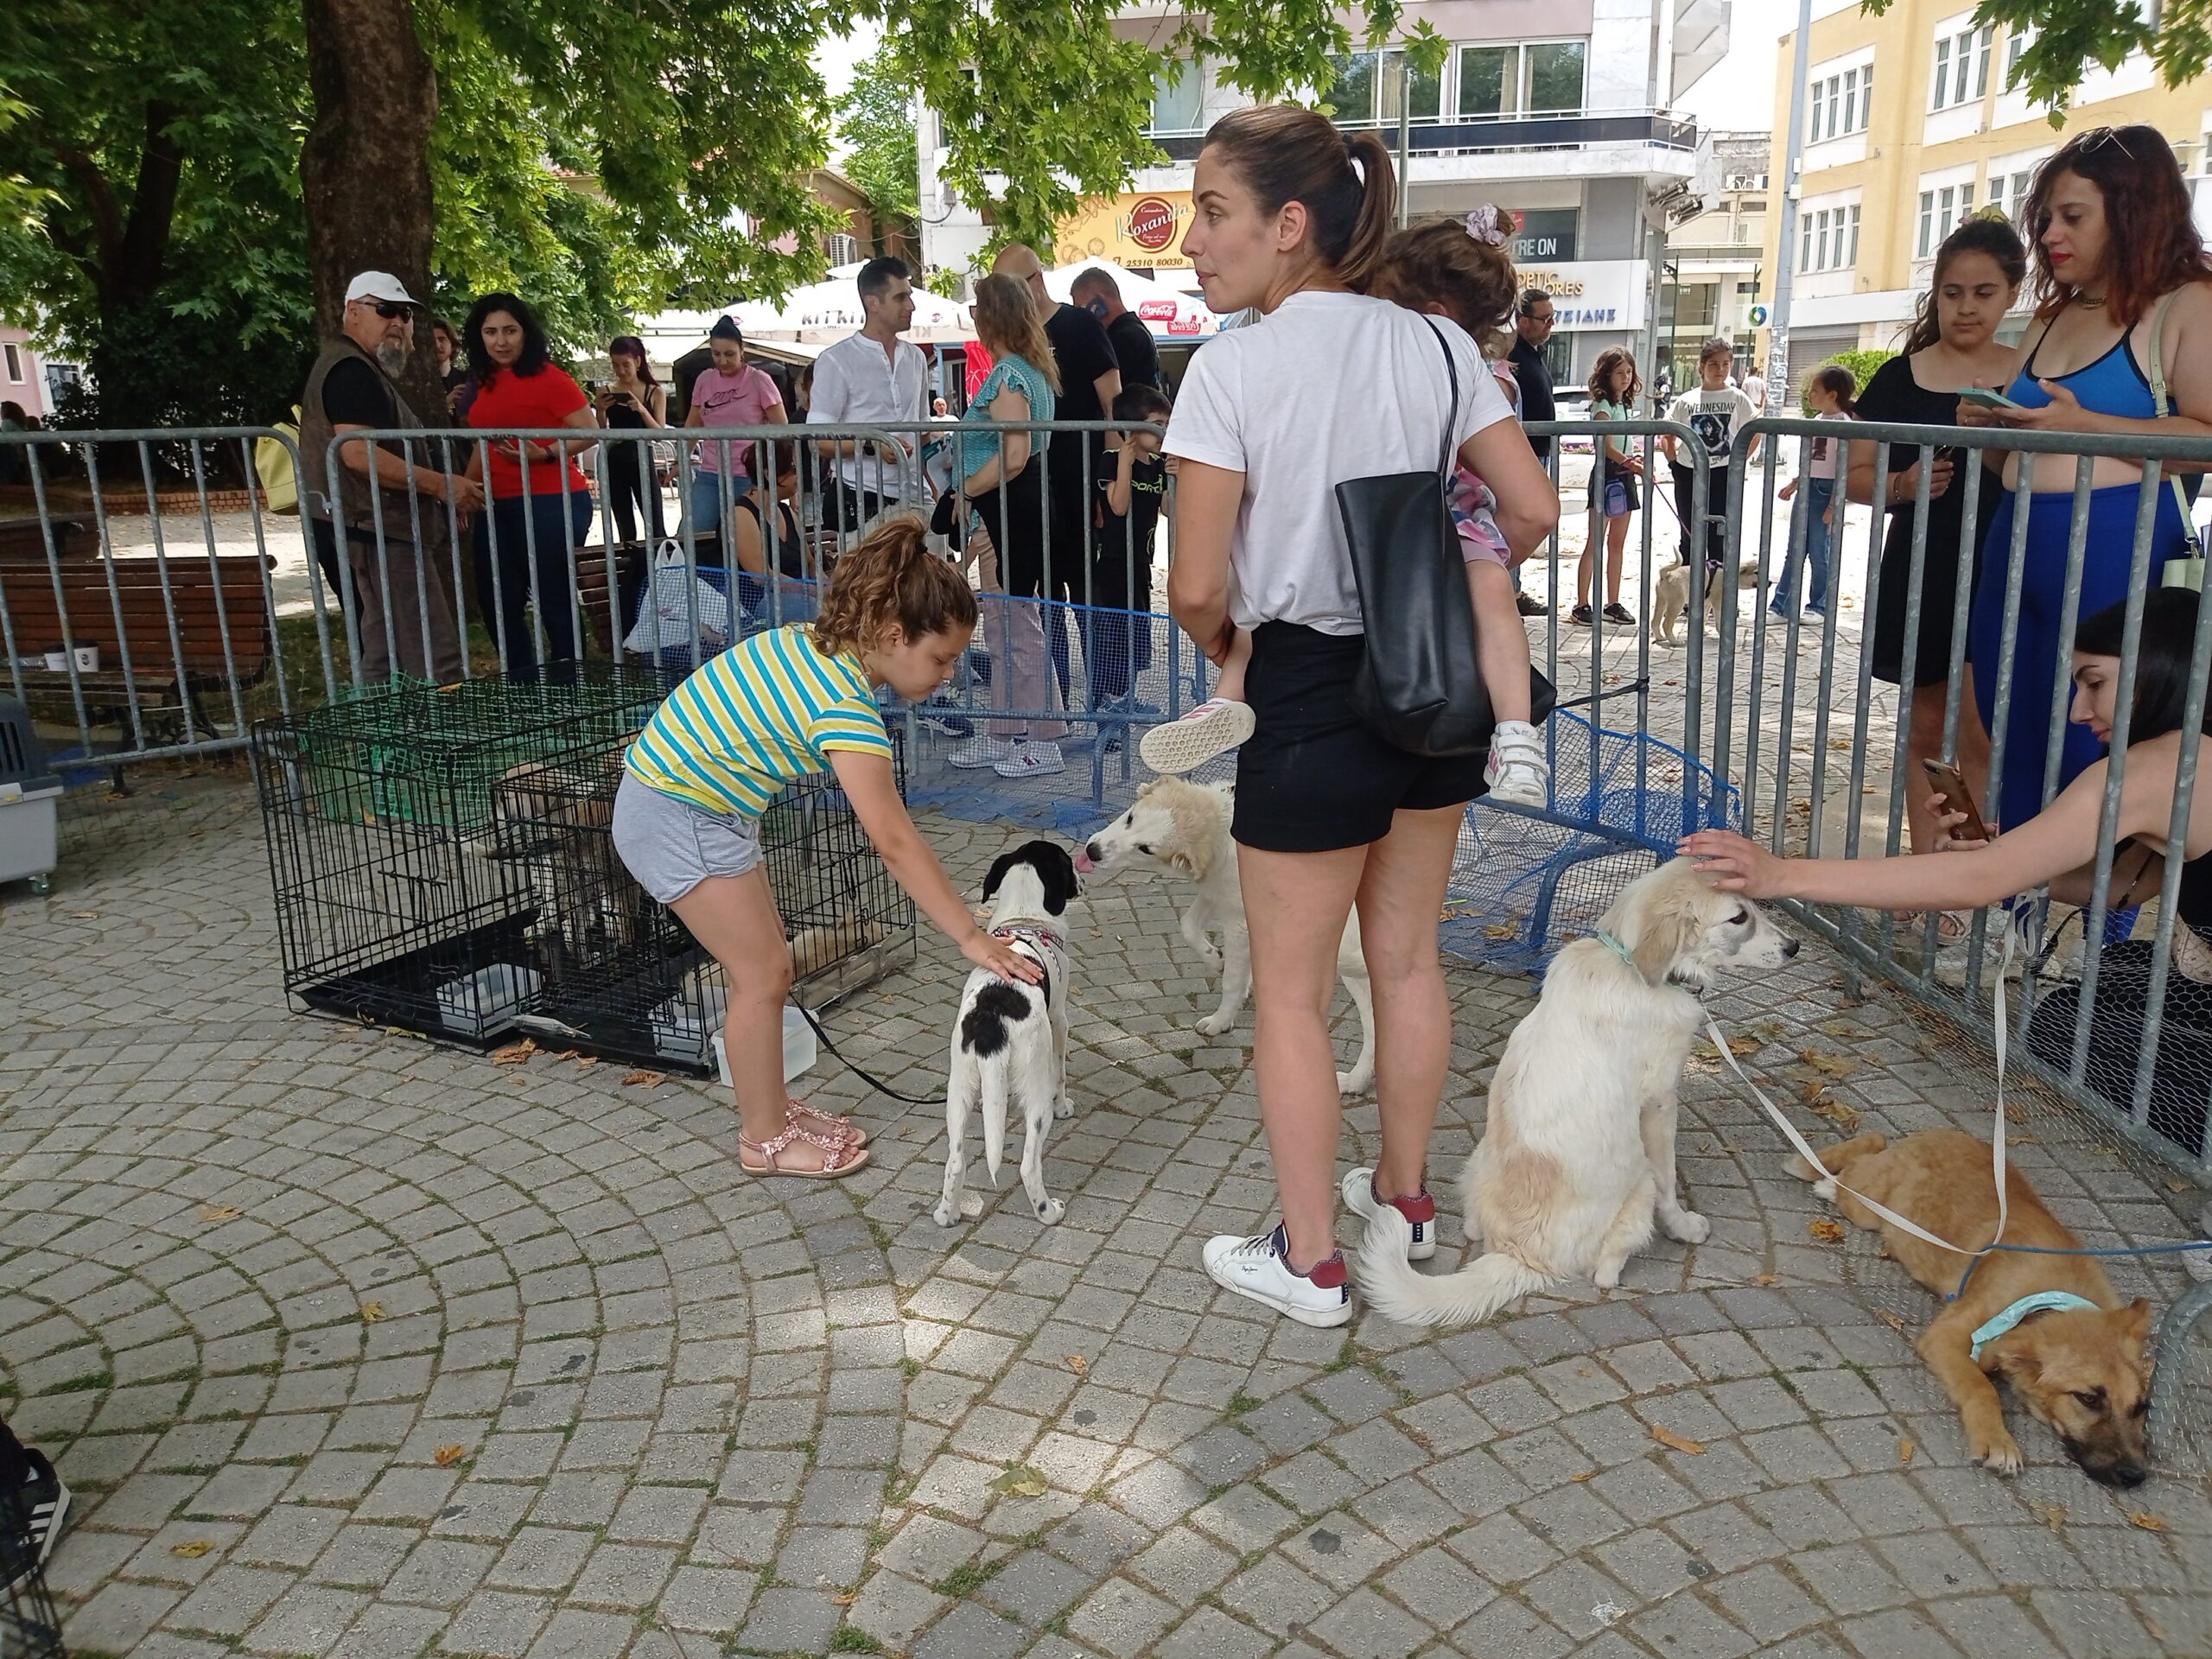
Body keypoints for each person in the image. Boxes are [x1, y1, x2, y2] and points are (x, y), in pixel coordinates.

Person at [1155, 105, 1555, 1324]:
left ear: (1289, 225)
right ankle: (1407, 1203)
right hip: (1430, 686)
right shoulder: (1439, 349)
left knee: (1288, 992)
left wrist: (1234, 652)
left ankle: (1314, 1264)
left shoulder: (1229, 366)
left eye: (1212, 213)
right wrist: (1442, 574)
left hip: (1308, 689)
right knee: (1409, 960)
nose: (1191, 243)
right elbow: (1531, 511)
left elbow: (1198, 591)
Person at [1682, 590, 2212, 1158]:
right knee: (2085, 1002)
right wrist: (1981, 861)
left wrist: (1779, 876)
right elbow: (2112, 889)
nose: (2078, 712)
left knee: (2068, 1034)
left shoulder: (2159, 769)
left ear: (2162, 667)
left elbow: (1983, 882)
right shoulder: (2184, 756)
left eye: (2095, 683)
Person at [615, 514, 1042, 1178]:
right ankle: (763, 1139)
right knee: (762, 975)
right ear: (894, 635)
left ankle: (772, 1106)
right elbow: (893, 839)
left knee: (766, 965)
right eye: (942, 657)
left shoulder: (814, 646)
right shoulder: (844, 707)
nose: (950, 674)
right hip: (678, 815)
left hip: (701, 808)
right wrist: (971, 935)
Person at [1959, 126, 2212, 836]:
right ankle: (2020, 922)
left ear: (2132, 210)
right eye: (2046, 217)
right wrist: (1988, 424)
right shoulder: (2052, 312)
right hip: (2018, 543)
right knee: (2006, 730)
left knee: (2100, 743)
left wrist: (2089, 426)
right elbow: (2020, 452)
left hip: (2113, 544)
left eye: (2074, 216)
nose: (2049, 234)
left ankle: (2111, 936)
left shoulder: (2187, 303)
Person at [1850, 213, 2024, 868]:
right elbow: (1857, 477)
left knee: (1980, 729)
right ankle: (1927, 871)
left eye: (1983, 292)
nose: (1967, 307)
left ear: (2010, 292)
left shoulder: (2029, 375)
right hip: (1922, 571)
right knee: (1925, 728)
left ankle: (1968, 873)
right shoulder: (1898, 378)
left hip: (2003, 566)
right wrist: (1904, 483)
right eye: (1953, 292)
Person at [297, 270, 480, 684]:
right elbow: (358, 455)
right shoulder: (351, 371)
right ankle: (443, 739)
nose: (397, 321)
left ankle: (383, 738)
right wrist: (442, 485)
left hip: (370, 526)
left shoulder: (354, 365)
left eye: (405, 314)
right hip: (377, 529)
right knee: (431, 648)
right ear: (353, 311)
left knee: (382, 644)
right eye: (385, 310)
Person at [943, 272, 1070, 779]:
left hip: (1004, 516)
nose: (972, 315)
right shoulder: (1028, 372)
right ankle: (1008, 733)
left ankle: (1040, 738)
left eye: (976, 307)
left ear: (990, 315)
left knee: (1016, 627)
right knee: (1005, 627)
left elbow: (1014, 456)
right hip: (1006, 515)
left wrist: (966, 489)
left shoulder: (1010, 376)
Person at [992, 244, 1122, 702]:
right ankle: (1056, 701)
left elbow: (1113, 403)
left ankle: (1105, 696)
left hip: (1080, 481)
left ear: (1035, 280)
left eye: (1010, 288)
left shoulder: (1080, 326)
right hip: (1034, 487)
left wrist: (1107, 480)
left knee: (1088, 597)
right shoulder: (1014, 339)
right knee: (1041, 603)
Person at [461, 291, 600, 678]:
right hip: (496, 503)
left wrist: (546, 453)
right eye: (490, 332)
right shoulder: (483, 381)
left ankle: (566, 684)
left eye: (510, 330)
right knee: (498, 601)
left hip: (550, 500)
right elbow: (483, 442)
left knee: (553, 595)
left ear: (526, 333)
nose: (500, 341)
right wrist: (464, 490)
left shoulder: (551, 378)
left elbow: (590, 432)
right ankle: (522, 684)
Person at [809, 257, 930, 535]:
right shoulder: (836, 360)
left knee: (925, 580)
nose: (910, 306)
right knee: (870, 580)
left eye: (909, 296)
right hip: (862, 497)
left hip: (916, 496)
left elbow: (921, 431)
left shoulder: (916, 358)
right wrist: (872, 446)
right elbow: (818, 442)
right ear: (872, 303)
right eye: (901, 298)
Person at [1087, 384, 1173, 731]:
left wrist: (1174, 478)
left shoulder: (1157, 465)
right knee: (1113, 632)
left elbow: (1168, 509)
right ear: (1133, 428)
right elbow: (1118, 505)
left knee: (1137, 631)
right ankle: (1108, 703)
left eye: (1167, 425)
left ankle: (1125, 697)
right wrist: (1124, 462)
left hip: (1141, 561)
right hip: (1112, 561)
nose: (1163, 433)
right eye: (1157, 424)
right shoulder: (1111, 460)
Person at [1661, 337, 1760, 573]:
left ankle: (1715, 595)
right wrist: (1673, 462)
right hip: (1689, 472)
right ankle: (1688, 593)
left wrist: (1740, 459)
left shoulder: (1737, 397)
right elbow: (1667, 433)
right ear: (1702, 366)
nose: (1720, 369)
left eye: (1726, 364)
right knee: (1690, 534)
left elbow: (1756, 429)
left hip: (1724, 473)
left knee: (1719, 534)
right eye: (1714, 364)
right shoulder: (1686, 400)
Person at [683, 317, 785, 545]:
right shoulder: (704, 380)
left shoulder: (759, 380)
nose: (723, 360)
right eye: (716, 354)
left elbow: (782, 430)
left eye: (729, 354)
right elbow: (692, 425)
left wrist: (780, 475)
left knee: (749, 541)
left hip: (750, 476)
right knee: (691, 536)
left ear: (742, 350)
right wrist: (679, 460)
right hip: (710, 473)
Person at [1770, 364, 1857, 621]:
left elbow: (1842, 467)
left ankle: (1818, 606)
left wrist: (1833, 504)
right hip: (1808, 486)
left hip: (1827, 489)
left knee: (1820, 552)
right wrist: (1796, 483)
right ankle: (1780, 605)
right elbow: (1815, 459)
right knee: (1795, 549)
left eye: (1815, 390)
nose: (1810, 394)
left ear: (1833, 395)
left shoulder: (1844, 424)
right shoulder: (1818, 421)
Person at [1575, 346, 1643, 628]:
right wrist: (1631, 461)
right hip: (1608, 475)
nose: (1626, 378)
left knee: (1618, 543)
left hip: (1624, 475)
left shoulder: (1623, 406)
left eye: (1629, 372)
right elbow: (1605, 445)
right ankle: (1581, 603)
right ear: (1607, 375)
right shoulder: (1603, 406)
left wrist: (1633, 460)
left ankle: (1612, 602)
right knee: (1595, 541)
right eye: (1619, 373)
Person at [1507, 287, 1558, 617]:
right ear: (1523, 321)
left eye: (1553, 318)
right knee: (1518, 520)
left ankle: (1515, 588)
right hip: (1520, 453)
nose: (1550, 325)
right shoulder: (1513, 355)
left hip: (1538, 451)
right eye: (1544, 318)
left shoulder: (1535, 354)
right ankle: (1510, 591)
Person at [597, 334, 668, 549]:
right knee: (624, 523)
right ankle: (630, 569)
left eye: (626, 365)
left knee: (654, 520)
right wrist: (600, 409)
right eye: (615, 365)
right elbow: (601, 432)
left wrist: (642, 410)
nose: (621, 371)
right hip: (615, 458)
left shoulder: (655, 392)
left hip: (642, 458)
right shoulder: (606, 391)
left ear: (638, 362)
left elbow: (660, 432)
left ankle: (661, 568)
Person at [1071, 265, 1164, 391]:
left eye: (1082, 307)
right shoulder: (1134, 329)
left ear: (1098, 302)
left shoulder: (1125, 337)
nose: (1081, 314)